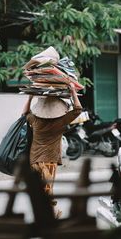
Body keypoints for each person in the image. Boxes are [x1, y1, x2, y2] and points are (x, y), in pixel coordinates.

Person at [21, 83, 82, 218]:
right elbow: (78, 109)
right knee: (48, 189)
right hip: (49, 159)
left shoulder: (35, 120)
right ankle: (49, 215)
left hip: (34, 158)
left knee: (39, 189)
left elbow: (24, 113)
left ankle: (46, 214)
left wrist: (30, 98)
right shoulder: (61, 121)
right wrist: (73, 91)